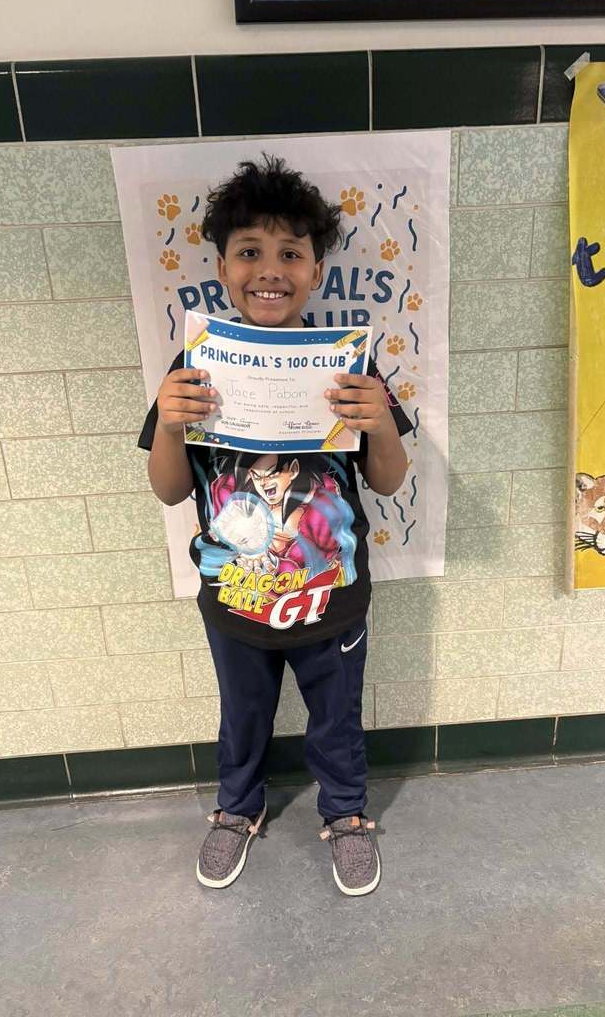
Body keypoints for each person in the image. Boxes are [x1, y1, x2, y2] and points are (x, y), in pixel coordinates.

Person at [138, 155, 413, 896]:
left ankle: (347, 814)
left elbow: (388, 479)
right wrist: (171, 423)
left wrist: (381, 423)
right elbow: (169, 490)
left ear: (316, 270)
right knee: (243, 715)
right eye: (250, 251)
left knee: (337, 719)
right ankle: (237, 807)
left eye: (291, 253)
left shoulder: (350, 370)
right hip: (235, 595)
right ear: (222, 268)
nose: (270, 270)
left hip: (331, 595)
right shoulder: (195, 369)